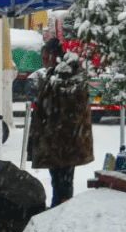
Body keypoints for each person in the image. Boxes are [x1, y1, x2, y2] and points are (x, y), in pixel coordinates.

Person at [27, 37, 94, 207]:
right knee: (58, 184)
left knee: (63, 185)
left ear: (53, 55)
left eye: (44, 55)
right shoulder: (55, 74)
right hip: (57, 143)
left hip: (64, 144)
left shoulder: (67, 76)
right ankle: (59, 210)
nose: (42, 60)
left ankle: (61, 213)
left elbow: (69, 111)